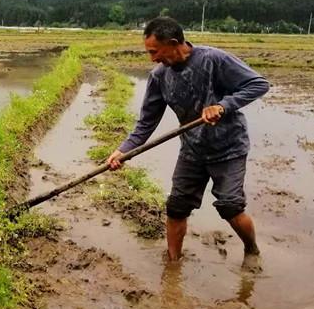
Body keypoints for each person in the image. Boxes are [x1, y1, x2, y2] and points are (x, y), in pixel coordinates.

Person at [107, 16, 270, 261]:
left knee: (230, 207)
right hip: (192, 150)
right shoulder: (159, 76)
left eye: (155, 51)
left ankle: (251, 249)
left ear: (173, 43)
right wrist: (124, 150)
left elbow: (258, 84)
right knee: (176, 207)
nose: (153, 59)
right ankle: (173, 262)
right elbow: (147, 122)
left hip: (228, 148)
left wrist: (223, 106)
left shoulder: (213, 59)